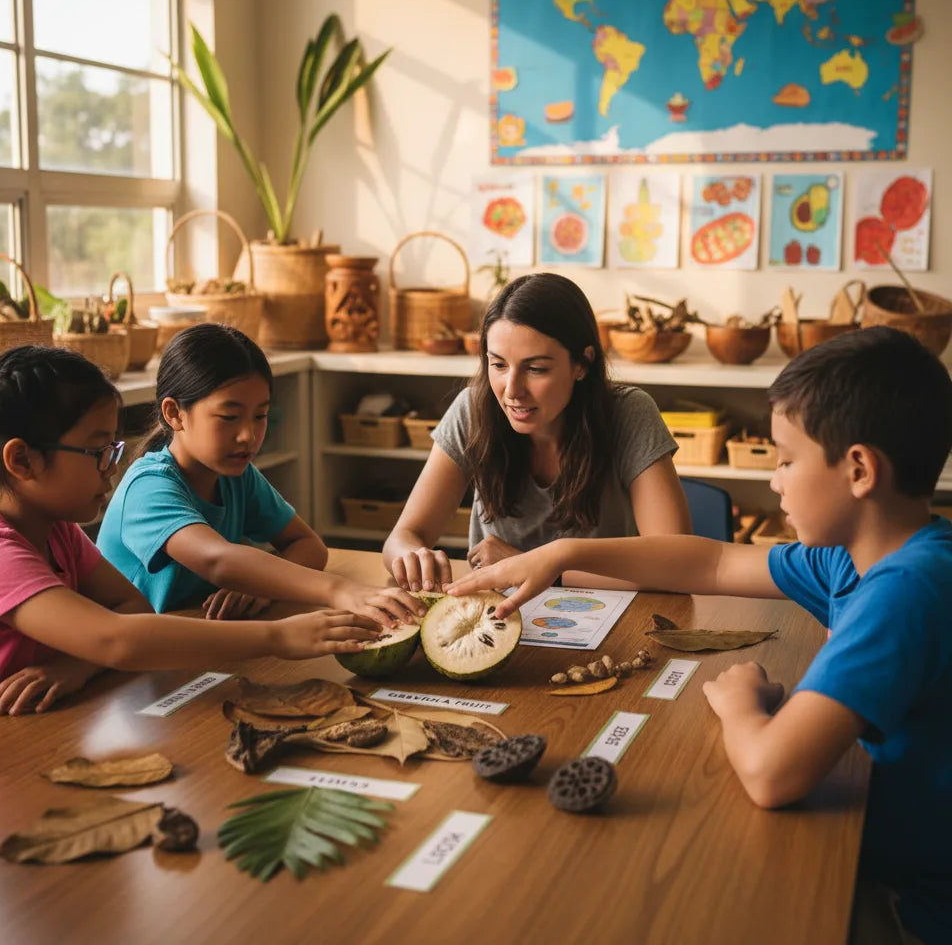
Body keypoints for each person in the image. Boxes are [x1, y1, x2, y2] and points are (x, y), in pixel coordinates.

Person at [447, 327, 952, 945]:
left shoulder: (907, 589)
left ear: (858, 470)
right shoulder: (856, 557)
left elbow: (772, 773)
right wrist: (560, 552)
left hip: (914, 909)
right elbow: (709, 563)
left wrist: (740, 702)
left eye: (786, 459)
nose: (775, 481)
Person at [0, 345, 381, 722]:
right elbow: (117, 639)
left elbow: (130, 609)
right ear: (22, 461)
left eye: (113, 447)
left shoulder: (56, 531)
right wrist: (277, 637)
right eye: (98, 450)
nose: (112, 465)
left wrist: (76, 665)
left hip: (44, 722)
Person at [382, 272, 690, 592]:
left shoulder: (629, 413)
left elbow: (679, 565)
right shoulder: (473, 409)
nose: (512, 391)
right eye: (498, 365)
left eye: (535, 369)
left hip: (611, 619)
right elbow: (402, 537)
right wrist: (412, 557)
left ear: (582, 364)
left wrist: (534, 566)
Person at [99, 323, 422, 625]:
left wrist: (259, 584)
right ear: (175, 414)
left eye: (261, 415)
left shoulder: (237, 476)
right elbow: (218, 560)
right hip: (140, 657)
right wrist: (341, 590)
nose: (248, 436)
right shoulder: (147, 488)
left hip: (205, 639)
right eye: (229, 416)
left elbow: (308, 545)